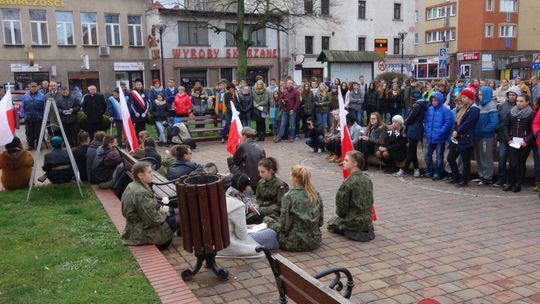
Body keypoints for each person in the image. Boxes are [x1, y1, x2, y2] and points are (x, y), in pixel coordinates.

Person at [219, 173, 279, 258]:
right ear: (244, 187)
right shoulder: (238, 205)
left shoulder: (224, 197)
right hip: (232, 244)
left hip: (221, 243)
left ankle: (268, 248)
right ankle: (273, 252)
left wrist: (246, 226)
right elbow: (242, 235)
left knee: (259, 229)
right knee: (271, 233)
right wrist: (248, 229)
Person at [121, 161, 177, 249]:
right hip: (147, 236)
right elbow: (154, 220)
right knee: (181, 217)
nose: (152, 174)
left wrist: (163, 209)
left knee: (174, 211)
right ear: (140, 175)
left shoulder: (132, 185)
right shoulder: (141, 193)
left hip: (136, 230)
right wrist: (164, 211)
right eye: (149, 172)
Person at [328, 151, 375, 242]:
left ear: (355, 163)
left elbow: (341, 209)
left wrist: (341, 218)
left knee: (331, 224)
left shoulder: (348, 182)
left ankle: (352, 230)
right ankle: (363, 228)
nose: (343, 162)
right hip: (368, 219)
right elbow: (371, 201)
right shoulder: (367, 178)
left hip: (354, 220)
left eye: (346, 160)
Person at [277, 165, 323, 252]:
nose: (289, 178)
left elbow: (284, 226)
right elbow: (320, 221)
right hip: (315, 240)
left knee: (269, 220)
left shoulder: (288, 196)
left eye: (290, 176)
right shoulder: (315, 194)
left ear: (295, 179)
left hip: (294, 242)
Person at [447, 87, 480, 187]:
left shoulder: (474, 109)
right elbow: (456, 121)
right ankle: (455, 177)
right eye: (462, 97)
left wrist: (458, 131)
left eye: (464, 97)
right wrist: (454, 130)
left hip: (465, 137)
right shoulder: (462, 108)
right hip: (457, 137)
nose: (462, 99)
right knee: (450, 158)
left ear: (470, 97)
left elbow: (468, 123)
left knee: (465, 160)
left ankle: (464, 180)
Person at [502, 94, 535, 192]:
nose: (519, 103)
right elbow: (505, 126)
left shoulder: (531, 114)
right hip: (513, 141)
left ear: (527, 102)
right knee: (512, 163)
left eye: (521, 101)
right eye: (517, 101)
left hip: (524, 143)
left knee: (520, 163)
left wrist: (526, 141)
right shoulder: (511, 112)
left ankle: (518, 183)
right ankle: (509, 182)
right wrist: (508, 139)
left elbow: (533, 130)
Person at [246, 157, 289, 229]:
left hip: (274, 213)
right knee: (247, 216)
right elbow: (258, 199)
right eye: (259, 172)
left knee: (252, 219)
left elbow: (281, 205)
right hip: (261, 210)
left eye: (263, 172)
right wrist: (255, 205)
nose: (260, 174)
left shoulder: (280, 185)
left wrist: (263, 209)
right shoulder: (261, 182)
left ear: (271, 171)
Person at [494, 86, 520, 187]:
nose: (511, 97)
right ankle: (501, 178)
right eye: (510, 95)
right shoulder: (503, 105)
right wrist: (499, 128)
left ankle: (511, 179)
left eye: (514, 95)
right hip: (503, 136)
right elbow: (498, 119)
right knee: (502, 157)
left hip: (515, 137)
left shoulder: (520, 106)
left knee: (514, 160)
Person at [394, 97, 428, 177]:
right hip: (417, 129)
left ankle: (404, 170)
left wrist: (404, 123)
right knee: (413, 151)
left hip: (413, 130)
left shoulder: (416, 106)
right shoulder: (423, 106)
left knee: (410, 151)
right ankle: (416, 169)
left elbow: (411, 118)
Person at [423, 92, 453, 180]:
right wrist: (427, 130)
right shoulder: (430, 109)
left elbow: (448, 122)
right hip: (430, 136)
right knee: (426, 155)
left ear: (439, 100)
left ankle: (437, 172)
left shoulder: (445, 110)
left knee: (439, 156)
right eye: (432, 100)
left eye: (435, 100)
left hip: (440, 137)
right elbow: (426, 121)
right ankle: (430, 170)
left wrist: (440, 131)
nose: (433, 102)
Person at [473, 86, 499, 185]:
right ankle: (482, 175)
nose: (479, 96)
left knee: (486, 157)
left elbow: (494, 122)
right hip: (477, 136)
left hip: (486, 137)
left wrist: (484, 130)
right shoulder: (479, 105)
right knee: (479, 157)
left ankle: (487, 177)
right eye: (478, 94)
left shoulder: (491, 105)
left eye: (481, 94)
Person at [21, 82, 45, 150]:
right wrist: (22, 116)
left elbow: (44, 107)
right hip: (28, 118)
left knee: (39, 132)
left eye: (35, 87)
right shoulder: (25, 96)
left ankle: (39, 145)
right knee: (29, 133)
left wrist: (44, 116)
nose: (33, 88)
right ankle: (30, 145)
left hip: (39, 118)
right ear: (30, 87)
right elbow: (22, 107)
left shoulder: (42, 96)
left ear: (37, 87)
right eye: (32, 87)